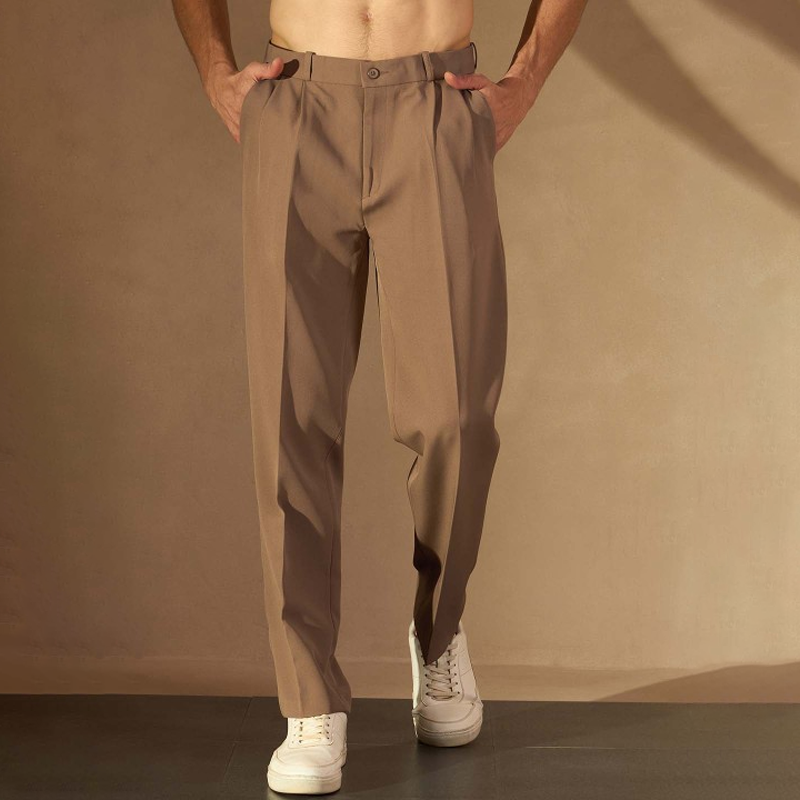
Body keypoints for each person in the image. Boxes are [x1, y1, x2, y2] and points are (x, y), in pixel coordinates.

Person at [172, 0, 588, 793]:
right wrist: (216, 75)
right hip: (298, 102)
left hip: (436, 102)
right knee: (291, 420)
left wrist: (525, 81)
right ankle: (309, 700)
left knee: (456, 417)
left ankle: (440, 635)